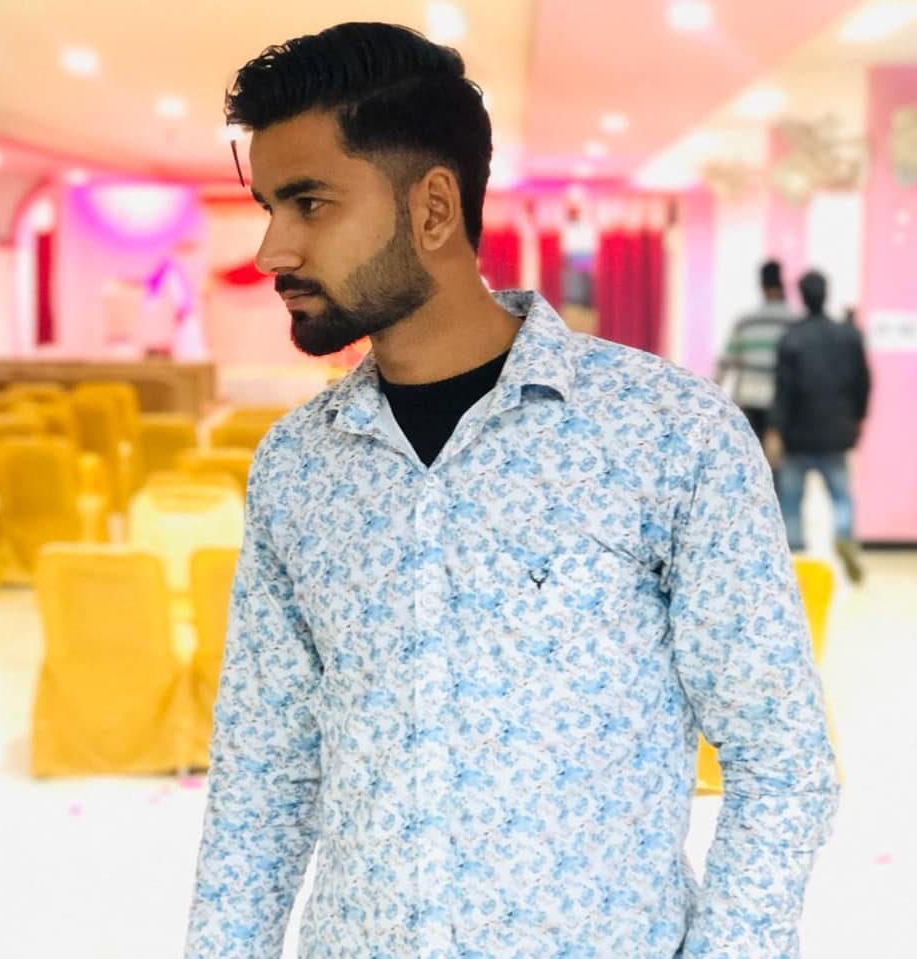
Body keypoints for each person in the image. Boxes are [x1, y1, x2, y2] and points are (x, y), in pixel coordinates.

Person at [186, 22, 838, 959]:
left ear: (433, 208)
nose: (270, 250)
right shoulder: (298, 465)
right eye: (268, 207)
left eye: (309, 204)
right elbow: (263, 775)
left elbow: (779, 759)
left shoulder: (667, 436)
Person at [765, 270, 871, 582]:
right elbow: (863, 382)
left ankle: (796, 557)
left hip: (798, 433)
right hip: (836, 430)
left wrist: (774, 429)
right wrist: (859, 417)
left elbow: (783, 388)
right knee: (841, 496)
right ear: (827, 293)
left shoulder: (791, 337)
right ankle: (843, 536)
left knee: (791, 500)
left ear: (801, 296)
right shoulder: (848, 336)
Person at [716, 259, 798, 444]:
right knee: (778, 459)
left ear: (761, 286)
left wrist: (710, 398)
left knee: (749, 454)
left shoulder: (746, 322)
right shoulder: (795, 323)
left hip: (749, 400)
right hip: (782, 405)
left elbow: (724, 364)